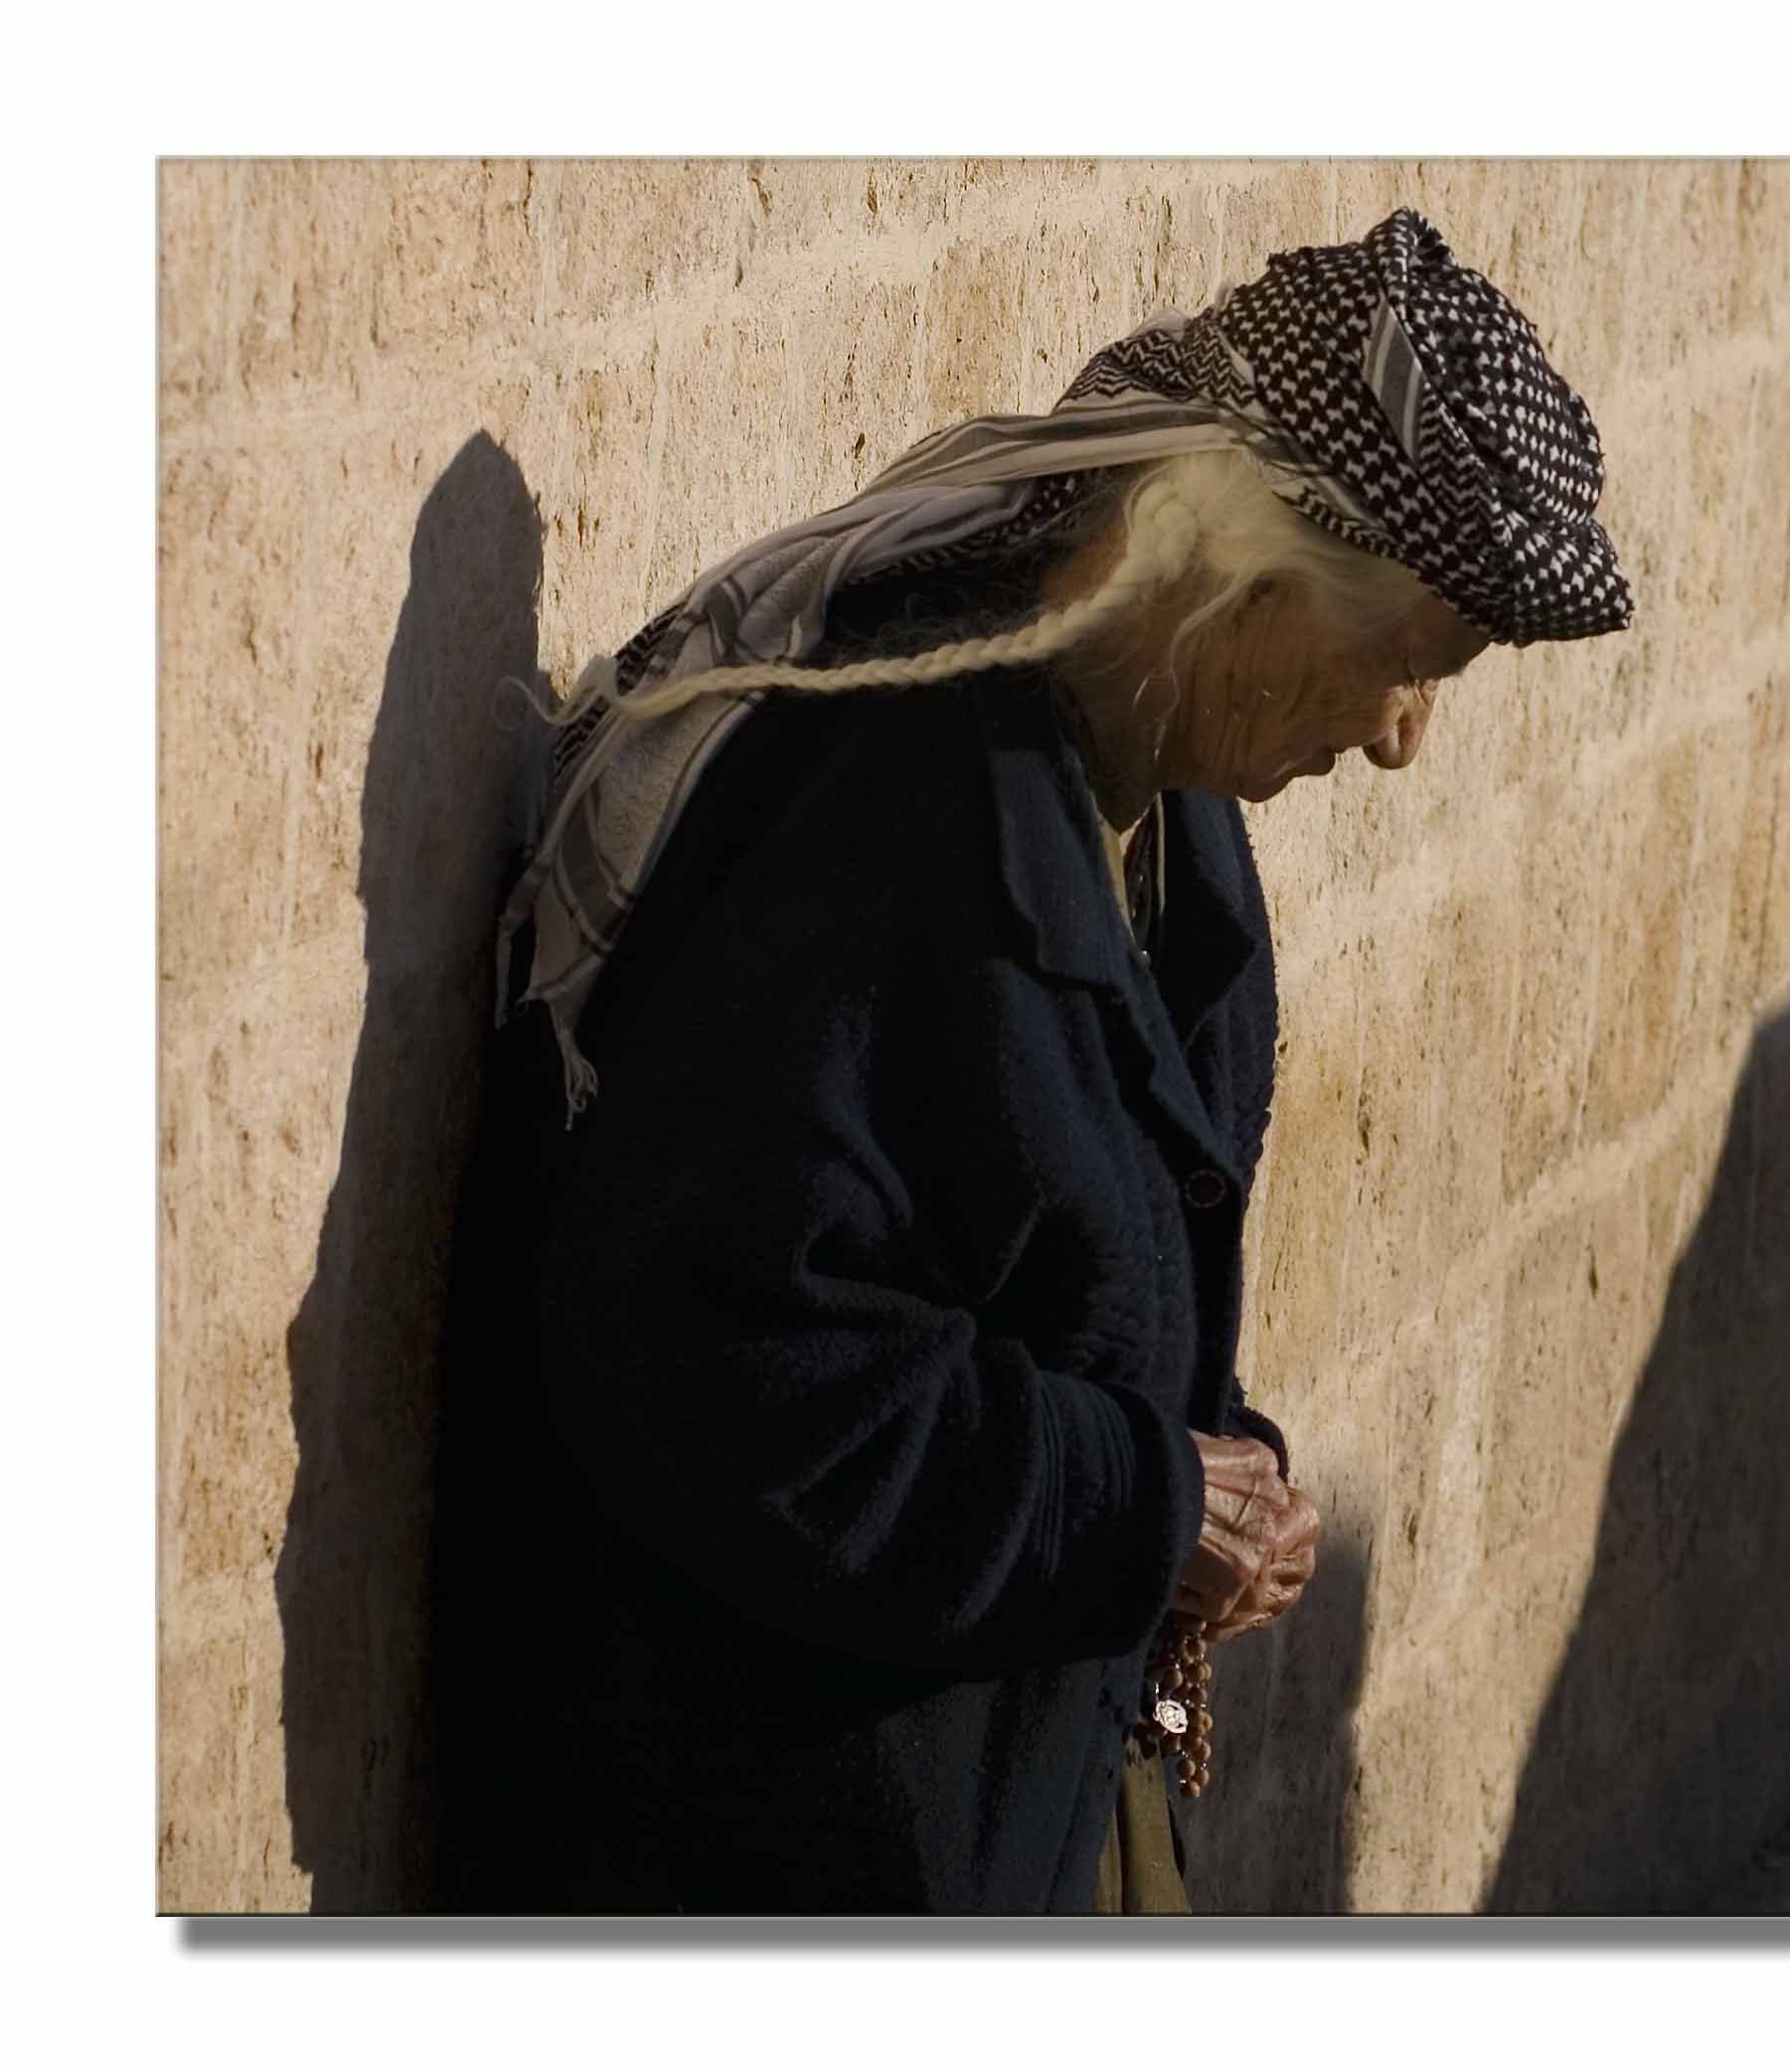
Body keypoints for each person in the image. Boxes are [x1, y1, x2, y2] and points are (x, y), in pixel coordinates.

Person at [429, 207, 1633, 1914]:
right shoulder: (890, 816)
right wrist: (1143, 1506)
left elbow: (1064, 1266)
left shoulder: (1166, 817)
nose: (1395, 743)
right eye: (1405, 665)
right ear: (1241, 580)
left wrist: (1212, 1474)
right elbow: (711, 1352)